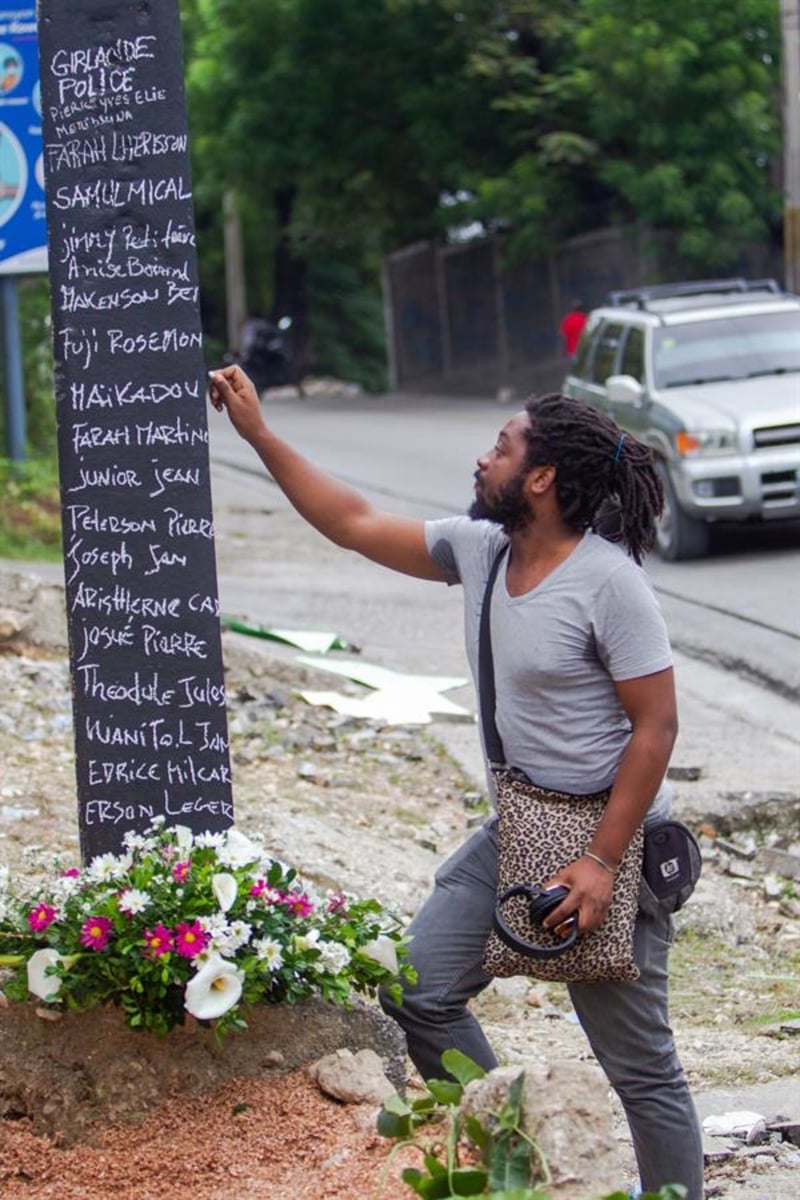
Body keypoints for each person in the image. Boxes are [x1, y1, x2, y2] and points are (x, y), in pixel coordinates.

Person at [208, 364, 705, 1200]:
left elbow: (656, 727)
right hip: (516, 825)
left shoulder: (611, 583)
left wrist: (601, 863)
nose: (483, 460)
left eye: (501, 448)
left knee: (641, 1069)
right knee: (417, 988)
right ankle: (523, 1154)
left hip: (604, 844)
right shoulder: (482, 551)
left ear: (541, 478)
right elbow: (355, 522)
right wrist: (259, 433)